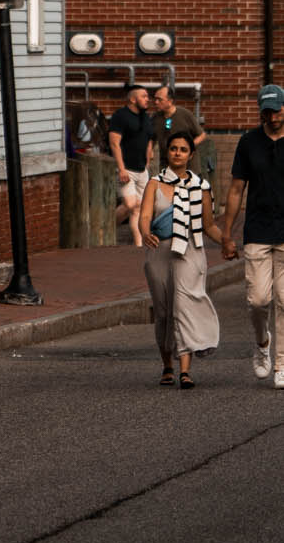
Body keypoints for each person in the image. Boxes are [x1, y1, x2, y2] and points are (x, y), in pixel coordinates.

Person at [139, 127, 222, 386]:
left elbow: (209, 226)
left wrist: (227, 241)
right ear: (167, 152)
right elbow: (144, 216)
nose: (178, 153)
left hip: (190, 250)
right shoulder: (154, 183)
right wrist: (144, 232)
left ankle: (186, 370)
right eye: (174, 148)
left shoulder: (201, 187)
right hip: (160, 251)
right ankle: (167, 365)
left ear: (191, 154)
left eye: (183, 149)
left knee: (183, 305)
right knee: (164, 312)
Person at [221, 82, 284, 388]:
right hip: (258, 229)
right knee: (259, 300)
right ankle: (262, 344)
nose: (272, 117)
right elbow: (236, 190)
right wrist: (227, 234)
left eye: (277, 110)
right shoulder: (249, 142)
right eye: (267, 112)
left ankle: (283, 363)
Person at [108, 84, 156, 247]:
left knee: (138, 209)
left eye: (147, 96)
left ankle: (138, 245)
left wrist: (148, 162)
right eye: (143, 96)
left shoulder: (146, 117)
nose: (147, 99)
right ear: (132, 99)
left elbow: (150, 139)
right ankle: (108, 227)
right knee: (129, 204)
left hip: (142, 169)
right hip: (125, 168)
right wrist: (121, 168)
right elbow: (114, 143)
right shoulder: (120, 116)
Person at [152, 82, 208, 177]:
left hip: (188, 167)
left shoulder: (185, 114)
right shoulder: (156, 118)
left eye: (159, 99)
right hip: (167, 167)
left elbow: (202, 135)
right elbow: (151, 138)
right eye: (155, 99)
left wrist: (188, 147)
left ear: (170, 101)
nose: (156, 102)